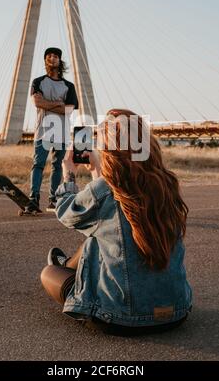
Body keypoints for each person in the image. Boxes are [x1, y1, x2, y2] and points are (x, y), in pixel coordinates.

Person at [40, 109, 192, 336]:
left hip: (119, 317)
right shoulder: (167, 184)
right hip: (176, 313)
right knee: (98, 238)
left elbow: (66, 213)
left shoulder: (105, 190)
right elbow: (108, 216)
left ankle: (65, 267)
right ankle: (69, 263)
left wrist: (68, 174)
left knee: (48, 273)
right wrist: (97, 174)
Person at [26, 47, 78, 213]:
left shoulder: (68, 86)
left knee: (57, 165)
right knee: (38, 164)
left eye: (55, 56)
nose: (52, 58)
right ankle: (33, 198)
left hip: (61, 131)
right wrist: (59, 104)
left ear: (59, 60)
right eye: (49, 55)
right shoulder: (38, 81)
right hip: (43, 130)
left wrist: (48, 103)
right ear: (45, 60)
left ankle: (53, 199)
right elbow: (37, 103)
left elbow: (69, 110)